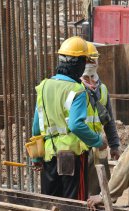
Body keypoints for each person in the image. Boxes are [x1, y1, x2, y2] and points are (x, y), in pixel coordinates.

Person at [32, 36, 106, 200]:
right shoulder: (77, 90)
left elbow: (36, 126)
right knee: (74, 205)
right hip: (72, 156)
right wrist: (98, 141)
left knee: (50, 202)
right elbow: (75, 125)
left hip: (49, 155)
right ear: (79, 64)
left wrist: (36, 156)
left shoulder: (43, 87)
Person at [81, 42, 120, 196]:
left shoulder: (101, 89)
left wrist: (114, 144)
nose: (91, 62)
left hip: (98, 147)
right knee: (81, 193)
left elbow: (109, 121)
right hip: (80, 148)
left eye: (93, 59)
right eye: (88, 59)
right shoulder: (73, 87)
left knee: (99, 191)